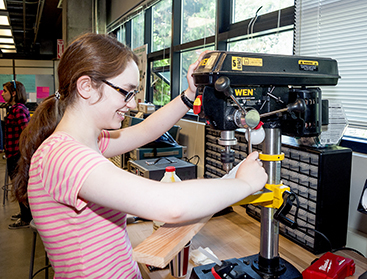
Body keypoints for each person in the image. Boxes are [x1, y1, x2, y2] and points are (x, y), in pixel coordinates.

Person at [13, 33, 268, 278]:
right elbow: (171, 205)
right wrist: (244, 184)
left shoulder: (86, 142)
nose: (133, 104)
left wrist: (190, 95)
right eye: (126, 92)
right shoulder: (64, 156)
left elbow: (146, 130)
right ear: (86, 86)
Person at [2, 80, 32, 229]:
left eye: (5, 91)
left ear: (14, 93)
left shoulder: (18, 109)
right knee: (18, 185)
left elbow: (27, 132)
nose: (2, 94)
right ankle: (24, 213)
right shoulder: (13, 109)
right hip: (13, 153)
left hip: (17, 155)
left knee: (20, 186)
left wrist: (23, 154)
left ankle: (26, 218)